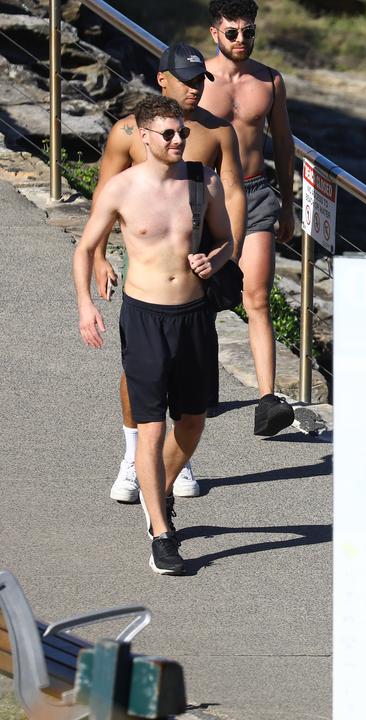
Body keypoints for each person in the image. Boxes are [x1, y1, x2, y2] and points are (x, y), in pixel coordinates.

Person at [73, 95, 234, 575]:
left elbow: (227, 240)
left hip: (194, 315)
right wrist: (85, 305)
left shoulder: (202, 182)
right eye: (168, 134)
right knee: (151, 426)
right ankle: (162, 533)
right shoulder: (121, 189)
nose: (179, 140)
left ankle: (156, 490)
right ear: (143, 137)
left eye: (182, 132)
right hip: (144, 317)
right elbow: (85, 249)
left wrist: (216, 258)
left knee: (193, 421)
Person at [94, 41, 245, 504]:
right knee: (139, 369)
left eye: (202, 81)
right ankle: (132, 454)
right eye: (188, 80)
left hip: (199, 266)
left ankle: (178, 460)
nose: (196, 89)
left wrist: (226, 256)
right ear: (163, 79)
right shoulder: (127, 133)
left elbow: (234, 193)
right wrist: (99, 254)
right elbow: (105, 193)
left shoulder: (218, 132)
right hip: (145, 266)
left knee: (185, 372)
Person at [199, 0, 296, 436]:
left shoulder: (269, 80)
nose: (242, 39)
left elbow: (285, 143)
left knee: (255, 296)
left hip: (256, 193)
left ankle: (268, 401)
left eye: (249, 32)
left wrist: (289, 204)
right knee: (194, 296)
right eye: (233, 32)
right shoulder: (195, 78)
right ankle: (198, 385)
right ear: (214, 32)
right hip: (205, 195)